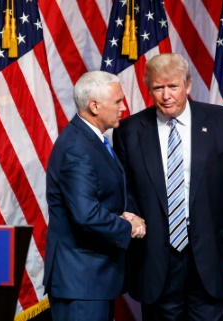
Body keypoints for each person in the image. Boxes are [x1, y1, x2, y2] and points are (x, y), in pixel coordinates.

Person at [112, 53, 223, 320]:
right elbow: (124, 192)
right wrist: (133, 219)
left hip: (212, 257)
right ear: (150, 89)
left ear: (187, 86)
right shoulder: (129, 131)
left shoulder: (222, 122)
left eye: (173, 86)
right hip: (155, 260)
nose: (166, 95)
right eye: (158, 87)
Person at [43, 70, 146, 321]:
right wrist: (128, 226)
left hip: (92, 280)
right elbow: (86, 214)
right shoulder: (78, 148)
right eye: (118, 101)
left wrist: (121, 213)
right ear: (95, 106)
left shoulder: (90, 140)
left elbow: (92, 200)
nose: (124, 107)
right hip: (81, 282)